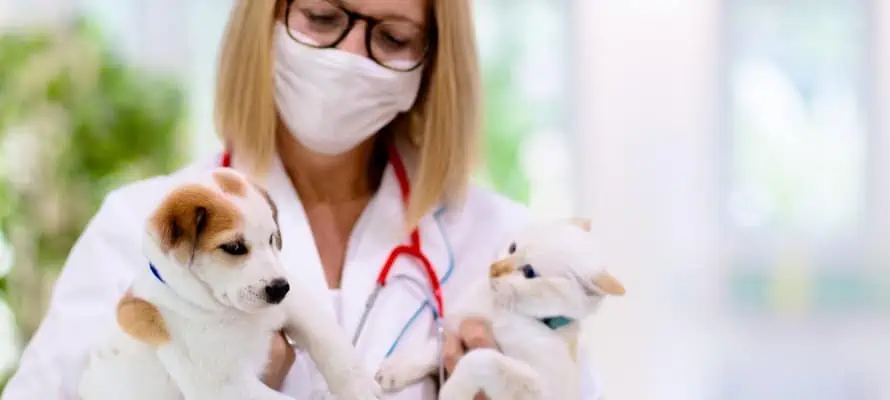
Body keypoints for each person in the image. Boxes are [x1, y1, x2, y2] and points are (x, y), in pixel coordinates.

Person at [2, 0, 602, 398]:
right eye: (320, 16)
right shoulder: (139, 230)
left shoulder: (501, 242)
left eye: (393, 37)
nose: (349, 59)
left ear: (434, 62)